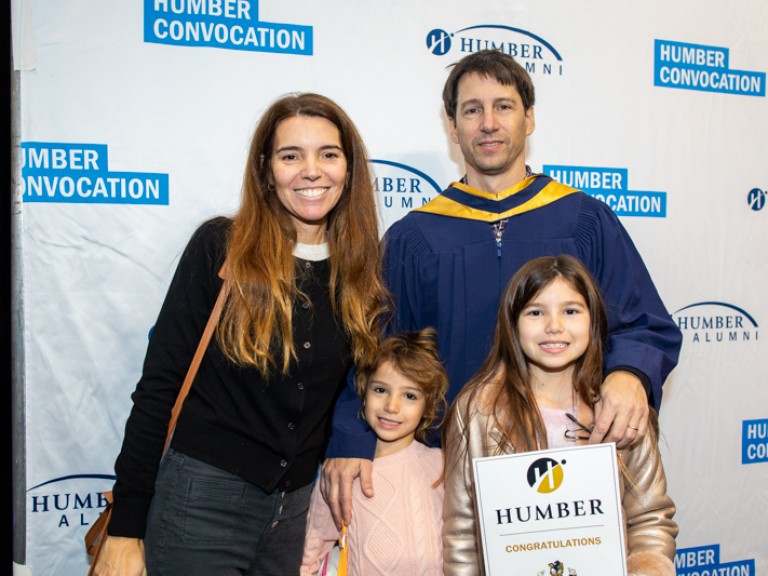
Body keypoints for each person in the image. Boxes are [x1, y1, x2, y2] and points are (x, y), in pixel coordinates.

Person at [320, 49, 682, 528]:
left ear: (529, 118)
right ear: (453, 127)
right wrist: (351, 438)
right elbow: (373, 350)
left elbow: (644, 324)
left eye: (504, 106)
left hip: (570, 471)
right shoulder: (417, 237)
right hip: (448, 472)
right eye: (472, 110)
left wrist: (631, 374)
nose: (488, 122)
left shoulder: (583, 220)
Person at [93, 92, 391, 576]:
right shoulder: (222, 248)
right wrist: (127, 526)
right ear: (266, 170)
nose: (311, 171)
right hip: (200, 503)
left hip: (293, 511)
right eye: (291, 156)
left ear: (350, 169)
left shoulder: (359, 272)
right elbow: (158, 388)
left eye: (328, 154)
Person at [442, 254, 678, 576]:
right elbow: (462, 531)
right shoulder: (477, 412)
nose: (554, 326)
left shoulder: (621, 407)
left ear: (593, 320)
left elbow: (651, 520)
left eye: (570, 311)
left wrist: (647, 568)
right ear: (513, 323)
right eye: (536, 312)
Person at [300, 328, 448, 575]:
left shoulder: (441, 465)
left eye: (410, 395)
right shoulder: (340, 472)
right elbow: (310, 553)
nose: (391, 406)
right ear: (363, 393)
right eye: (381, 390)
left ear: (428, 406)